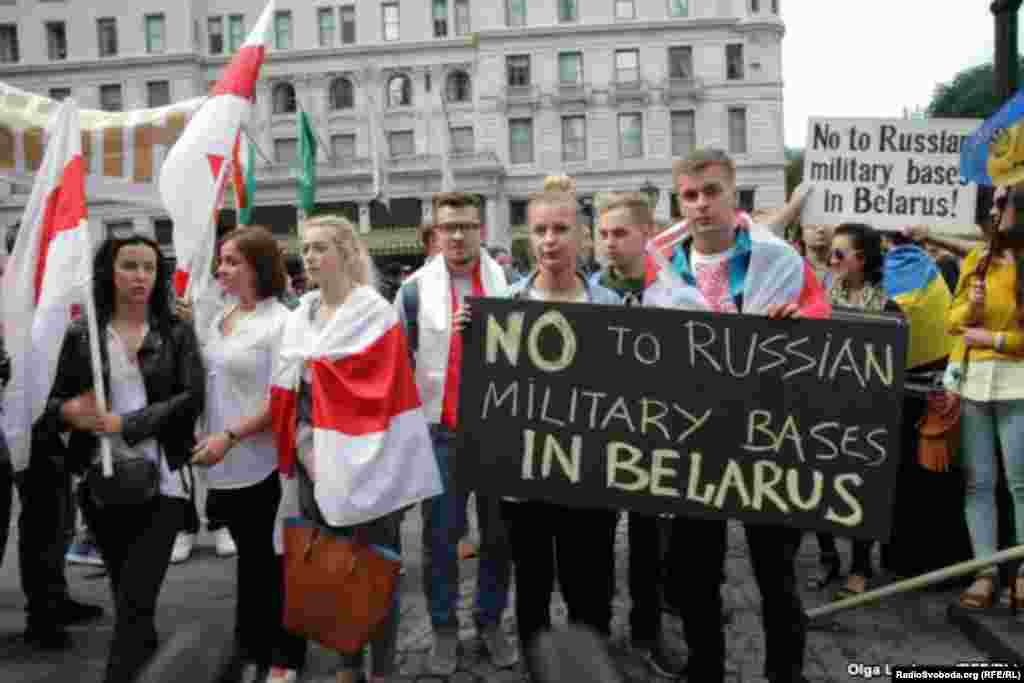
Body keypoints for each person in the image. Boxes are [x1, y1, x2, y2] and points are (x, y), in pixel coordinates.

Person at [645, 148, 831, 683]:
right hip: (694, 441)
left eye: (711, 193)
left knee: (777, 575)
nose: (701, 205)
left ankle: (785, 675)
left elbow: (824, 328)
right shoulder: (659, 267)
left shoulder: (781, 261)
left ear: (733, 193)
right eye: (689, 196)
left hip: (769, 441)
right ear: (680, 200)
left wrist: (799, 321)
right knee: (695, 575)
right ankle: (706, 671)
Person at [269, 214, 442, 683]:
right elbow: (288, 386)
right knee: (332, 568)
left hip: (371, 463)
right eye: (305, 248)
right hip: (313, 463)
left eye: (321, 247)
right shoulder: (299, 315)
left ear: (346, 253)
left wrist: (323, 375)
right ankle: (348, 663)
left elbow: (389, 393)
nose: (309, 256)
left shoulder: (375, 314)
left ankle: (381, 667)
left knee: (376, 570)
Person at [44, 234, 205, 682]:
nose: (139, 276)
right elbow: (54, 401)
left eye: (148, 267)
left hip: (165, 484)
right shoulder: (84, 333)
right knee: (128, 598)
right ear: (109, 273)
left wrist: (127, 424)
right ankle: (147, 659)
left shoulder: (175, 329)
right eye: (129, 265)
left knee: (134, 602)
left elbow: (192, 398)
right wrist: (70, 411)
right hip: (103, 485)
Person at [500, 175, 622, 678]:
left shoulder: (611, 308)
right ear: (529, 237)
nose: (550, 240)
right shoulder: (503, 307)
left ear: (583, 237)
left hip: (589, 476)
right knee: (531, 584)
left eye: (561, 229)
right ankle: (538, 668)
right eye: (540, 230)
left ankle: (589, 667)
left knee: (588, 583)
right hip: (524, 477)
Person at [394, 193, 516, 675]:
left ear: (481, 229)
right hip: (439, 431)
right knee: (439, 539)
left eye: (467, 225)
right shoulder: (412, 291)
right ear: (436, 233)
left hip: (496, 430)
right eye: (449, 227)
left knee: (499, 536)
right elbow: (397, 365)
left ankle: (489, 622)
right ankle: (444, 629)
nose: (459, 235)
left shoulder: (509, 284)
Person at [188, 226, 291, 683]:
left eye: (232, 261)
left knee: (269, 567)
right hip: (222, 465)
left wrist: (229, 436)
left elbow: (281, 401)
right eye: (221, 260)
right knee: (253, 566)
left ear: (258, 267)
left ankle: (279, 657)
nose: (221, 269)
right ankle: (251, 648)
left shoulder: (281, 322)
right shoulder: (219, 318)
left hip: (263, 466)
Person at [592, 191, 681, 677]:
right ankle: (601, 634)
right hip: (601, 442)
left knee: (652, 549)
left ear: (648, 234)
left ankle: (648, 635)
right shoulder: (587, 295)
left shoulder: (679, 294)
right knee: (596, 549)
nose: (609, 243)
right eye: (603, 234)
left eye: (620, 233)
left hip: (656, 443)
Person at [8, 223, 105, 650]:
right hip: (11, 429)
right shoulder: (9, 305)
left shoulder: (68, 301)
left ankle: (50, 602)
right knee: (25, 525)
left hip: (53, 434)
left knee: (53, 521)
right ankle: (42, 613)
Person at [945, 183, 1024, 610]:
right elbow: (952, 320)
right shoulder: (977, 260)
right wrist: (970, 311)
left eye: (1001, 205)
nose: (994, 213)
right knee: (978, 482)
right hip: (976, 383)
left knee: (1021, 483)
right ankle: (986, 571)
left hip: (1019, 383)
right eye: (992, 207)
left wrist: (991, 335)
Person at [824, 223, 892, 599]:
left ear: (861, 260)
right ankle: (828, 556)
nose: (831, 261)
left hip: (865, 414)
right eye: (830, 254)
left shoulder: (887, 306)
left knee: (861, 490)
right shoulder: (819, 298)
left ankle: (861, 566)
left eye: (839, 254)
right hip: (824, 408)